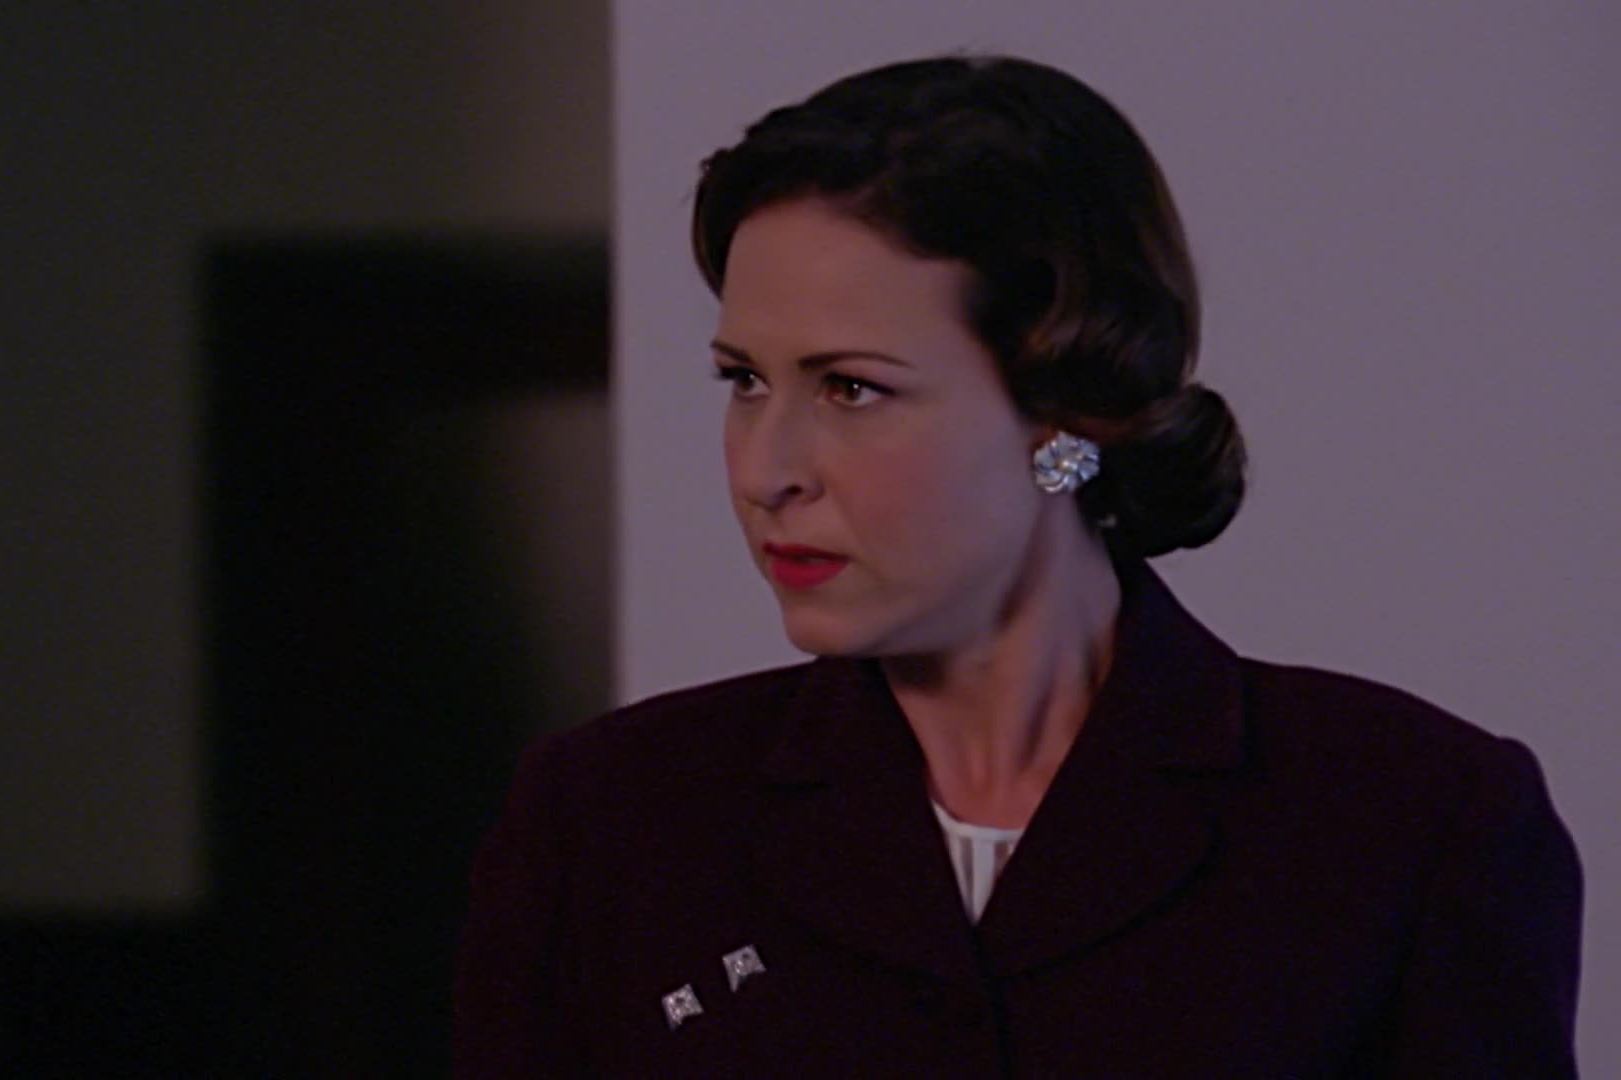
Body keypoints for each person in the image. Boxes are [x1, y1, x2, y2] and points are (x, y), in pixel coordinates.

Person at [452, 55, 1582, 1077]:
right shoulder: (608, 821)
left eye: (851, 387)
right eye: (744, 380)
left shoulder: (1412, 823)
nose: (767, 470)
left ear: (1062, 414)